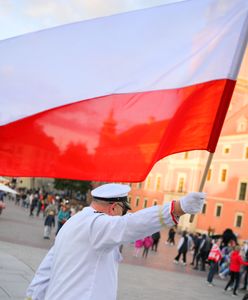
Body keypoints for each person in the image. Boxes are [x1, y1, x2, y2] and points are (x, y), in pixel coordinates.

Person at [26, 183, 205, 300]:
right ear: (113, 207)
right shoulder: (96, 224)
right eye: (123, 211)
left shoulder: (74, 221)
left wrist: (32, 297)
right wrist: (177, 208)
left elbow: (45, 271)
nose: (123, 215)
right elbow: (131, 225)